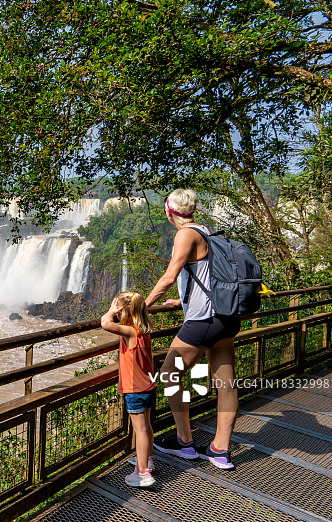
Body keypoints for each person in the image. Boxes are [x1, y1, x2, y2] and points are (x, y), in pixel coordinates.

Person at [145, 189, 239, 470]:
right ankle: (220, 451)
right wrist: (180, 300)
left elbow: (169, 276)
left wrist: (143, 305)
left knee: (170, 373)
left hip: (203, 321)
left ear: (169, 212)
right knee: (226, 383)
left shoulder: (185, 234)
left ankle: (185, 442)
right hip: (226, 317)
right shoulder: (206, 232)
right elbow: (203, 278)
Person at [101, 291, 157, 487]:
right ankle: (147, 460)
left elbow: (105, 323)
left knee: (140, 430)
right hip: (149, 386)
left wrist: (110, 311)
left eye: (119, 310)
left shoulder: (130, 332)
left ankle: (142, 474)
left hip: (136, 389)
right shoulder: (145, 329)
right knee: (147, 427)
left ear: (125, 312)